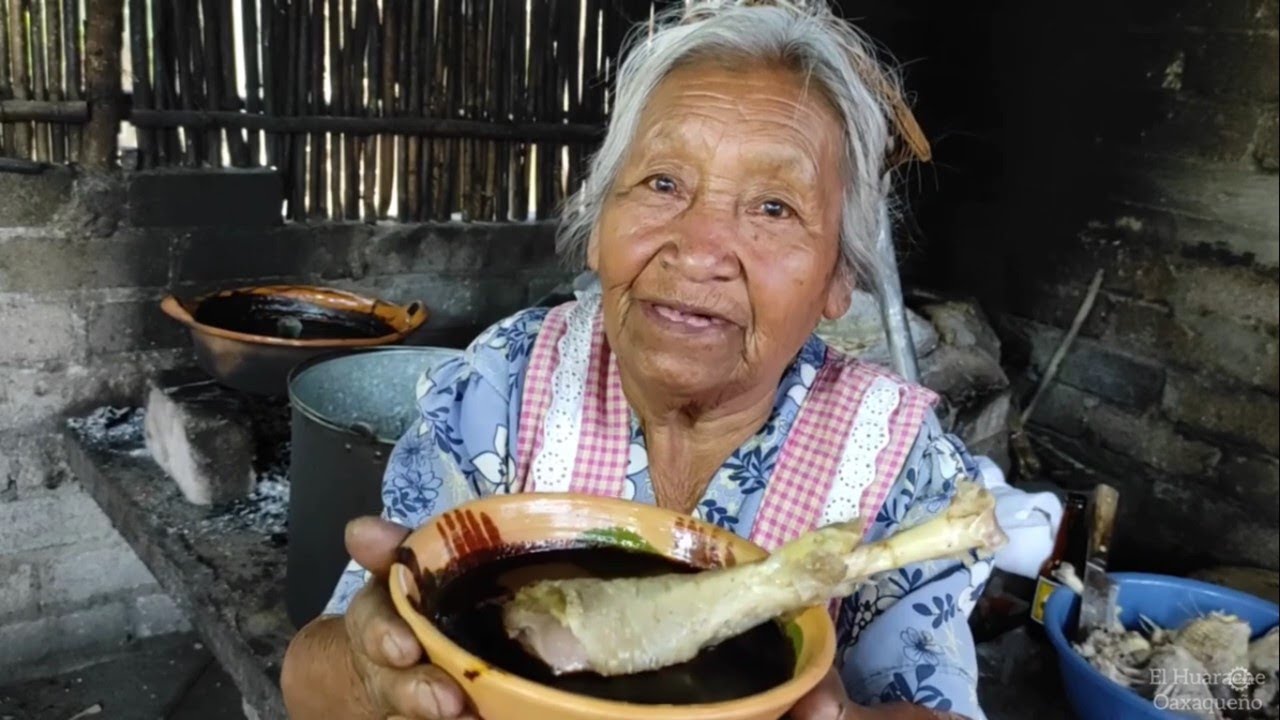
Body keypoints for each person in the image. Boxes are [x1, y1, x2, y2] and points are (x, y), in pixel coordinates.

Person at [283, 2, 1003, 718]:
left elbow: (929, 699)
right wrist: (374, 672)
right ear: (598, 226)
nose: (699, 249)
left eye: (774, 207)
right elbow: (310, 677)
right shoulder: (501, 385)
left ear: (837, 280)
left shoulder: (900, 466)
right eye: (663, 183)